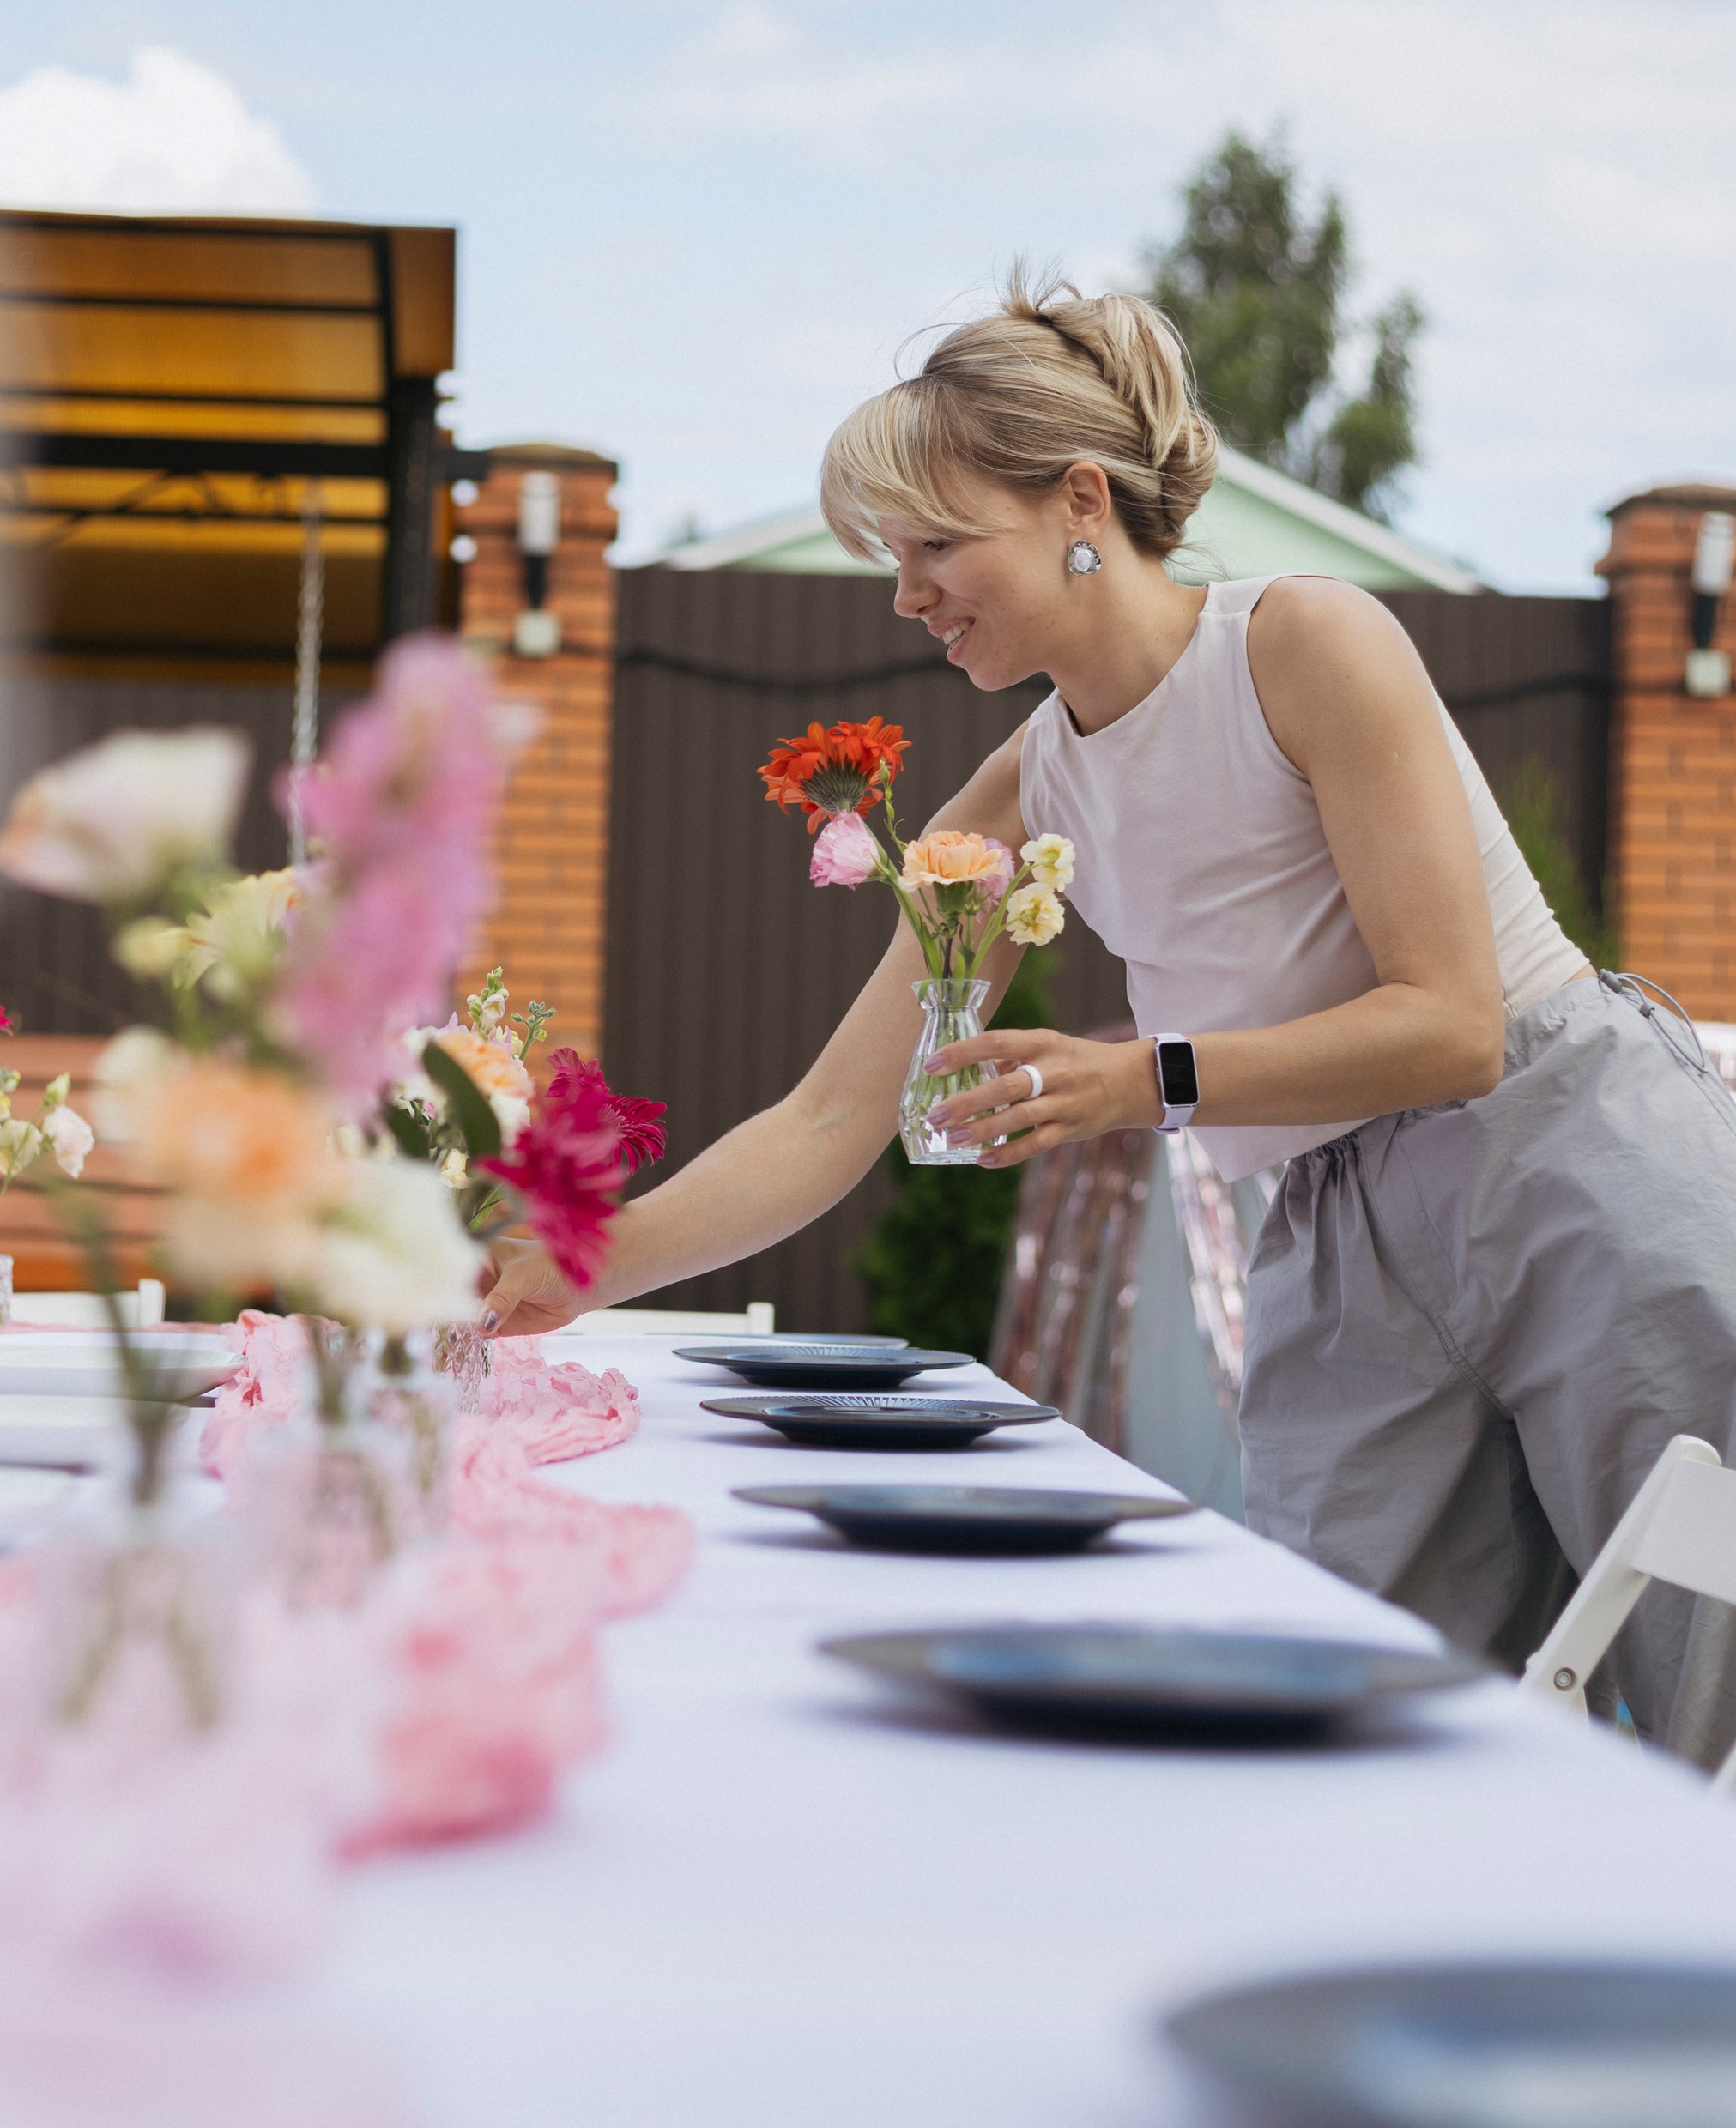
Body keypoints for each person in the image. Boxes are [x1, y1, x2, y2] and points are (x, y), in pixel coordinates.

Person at [481, 270, 1736, 1752]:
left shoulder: (1304, 642)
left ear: (1081, 499)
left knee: (1710, 1693)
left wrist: (1141, 1080)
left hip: (1563, 1159)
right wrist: (591, 1260)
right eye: (891, 555)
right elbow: (829, 1116)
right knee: (1351, 1721)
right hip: (1332, 1228)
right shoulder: (1019, 792)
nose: (906, 594)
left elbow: (1453, 1026)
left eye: (937, 543)